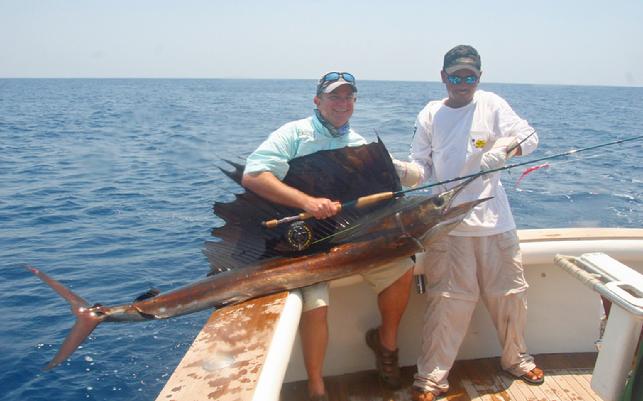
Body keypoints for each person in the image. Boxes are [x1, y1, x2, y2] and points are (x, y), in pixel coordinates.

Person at [241, 71, 417, 401]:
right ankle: (316, 387)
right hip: (303, 245)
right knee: (316, 304)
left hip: (348, 240)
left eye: (349, 97)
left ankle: (386, 346)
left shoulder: (357, 143)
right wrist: (306, 202)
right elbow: (254, 176)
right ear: (317, 101)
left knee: (400, 269)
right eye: (334, 96)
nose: (342, 103)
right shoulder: (293, 134)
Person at [408, 45, 544, 401]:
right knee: (447, 302)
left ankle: (518, 359)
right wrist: (407, 172)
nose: (462, 83)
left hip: (496, 222)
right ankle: (431, 380)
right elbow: (420, 166)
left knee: (510, 295)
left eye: (470, 76)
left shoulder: (492, 104)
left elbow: (530, 137)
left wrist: (505, 150)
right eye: (455, 76)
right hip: (448, 225)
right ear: (443, 77)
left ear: (479, 78)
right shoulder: (430, 113)